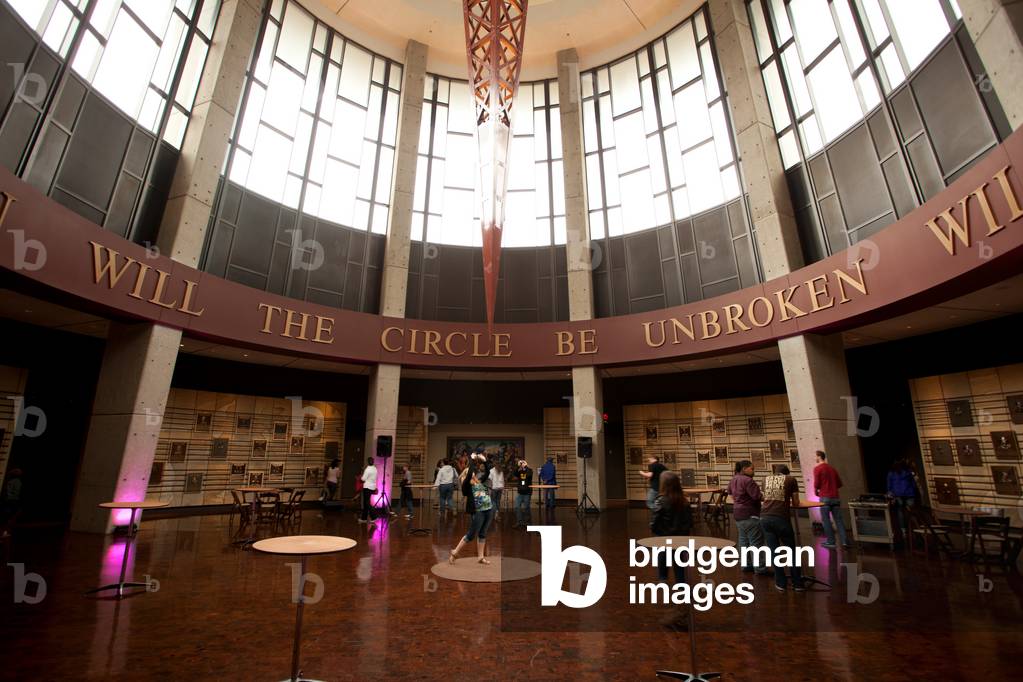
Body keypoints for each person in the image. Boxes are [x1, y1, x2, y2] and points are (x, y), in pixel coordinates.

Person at [650, 471, 692, 628]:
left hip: (664, 541)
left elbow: (654, 522)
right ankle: (682, 602)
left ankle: (666, 592)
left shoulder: (661, 500)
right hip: (681, 541)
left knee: (663, 573)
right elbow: (689, 523)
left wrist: (657, 532)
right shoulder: (684, 501)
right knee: (680, 572)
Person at [760, 465, 805, 592]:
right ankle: (797, 583)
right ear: (787, 473)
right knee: (791, 551)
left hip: (764, 517)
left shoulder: (765, 479)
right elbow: (796, 502)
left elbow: (765, 498)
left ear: (775, 472)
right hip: (781, 517)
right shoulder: (791, 479)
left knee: (774, 552)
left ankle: (780, 583)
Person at [449, 454, 494, 564]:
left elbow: (487, 472)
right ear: (466, 475)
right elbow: (469, 474)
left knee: (483, 533)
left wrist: (484, 461)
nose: (474, 475)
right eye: (471, 473)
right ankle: (455, 551)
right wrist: (472, 460)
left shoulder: (479, 481)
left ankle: (480, 557)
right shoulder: (466, 485)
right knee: (471, 534)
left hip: (488, 509)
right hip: (478, 511)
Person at [727, 460, 770, 575]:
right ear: (744, 469)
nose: (753, 471)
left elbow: (730, 493)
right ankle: (760, 568)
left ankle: (746, 565)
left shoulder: (733, 479)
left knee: (743, 541)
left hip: (737, 513)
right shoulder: (748, 481)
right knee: (756, 542)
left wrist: (738, 501)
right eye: (752, 469)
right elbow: (757, 496)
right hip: (750, 514)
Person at [813, 451, 850, 548]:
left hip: (825, 497)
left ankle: (831, 541)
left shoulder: (817, 469)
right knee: (839, 520)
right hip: (835, 497)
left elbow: (816, 484)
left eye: (816, 456)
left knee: (826, 520)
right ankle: (845, 541)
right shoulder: (832, 469)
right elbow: (839, 484)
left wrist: (816, 490)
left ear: (819, 457)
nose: (815, 458)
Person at [886, 458, 918, 539]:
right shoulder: (908, 472)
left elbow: (889, 486)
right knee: (911, 511)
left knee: (900, 511)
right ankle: (914, 528)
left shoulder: (891, 473)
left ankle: (903, 531)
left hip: (897, 495)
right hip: (909, 494)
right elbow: (914, 484)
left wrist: (891, 494)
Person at [514, 459, 533, 528]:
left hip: (527, 492)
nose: (522, 465)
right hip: (520, 492)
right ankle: (519, 522)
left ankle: (527, 522)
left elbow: (529, 475)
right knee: (516, 507)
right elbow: (515, 473)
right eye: (522, 464)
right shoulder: (519, 470)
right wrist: (518, 466)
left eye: (523, 463)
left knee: (526, 507)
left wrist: (526, 467)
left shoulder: (529, 470)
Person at [359, 457, 377, 523]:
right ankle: (364, 518)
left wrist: (360, 479)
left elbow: (363, 479)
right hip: (372, 487)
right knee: (366, 503)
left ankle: (374, 516)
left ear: (368, 462)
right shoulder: (375, 469)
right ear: (373, 462)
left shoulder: (367, 469)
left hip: (367, 487)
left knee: (367, 503)